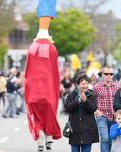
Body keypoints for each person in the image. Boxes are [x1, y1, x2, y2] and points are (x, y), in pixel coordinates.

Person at [24, 1, 61, 151]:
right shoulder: (52, 48)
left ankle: (39, 138)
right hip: (47, 91)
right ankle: (49, 137)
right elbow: (55, 73)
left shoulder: (32, 48)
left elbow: (27, 71)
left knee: (36, 116)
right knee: (49, 114)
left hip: (33, 91)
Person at [64, 73, 99, 152]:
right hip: (74, 130)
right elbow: (67, 108)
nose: (85, 86)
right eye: (83, 84)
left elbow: (93, 108)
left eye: (87, 83)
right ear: (77, 85)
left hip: (88, 130)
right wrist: (78, 101)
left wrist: (85, 100)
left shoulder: (92, 95)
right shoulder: (72, 95)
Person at [93, 66, 119, 152]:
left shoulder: (117, 86)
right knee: (105, 138)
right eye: (106, 74)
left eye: (111, 74)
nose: (109, 75)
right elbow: (92, 100)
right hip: (102, 116)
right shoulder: (97, 87)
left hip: (114, 116)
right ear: (103, 75)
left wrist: (118, 113)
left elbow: (120, 100)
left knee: (112, 139)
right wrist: (96, 111)